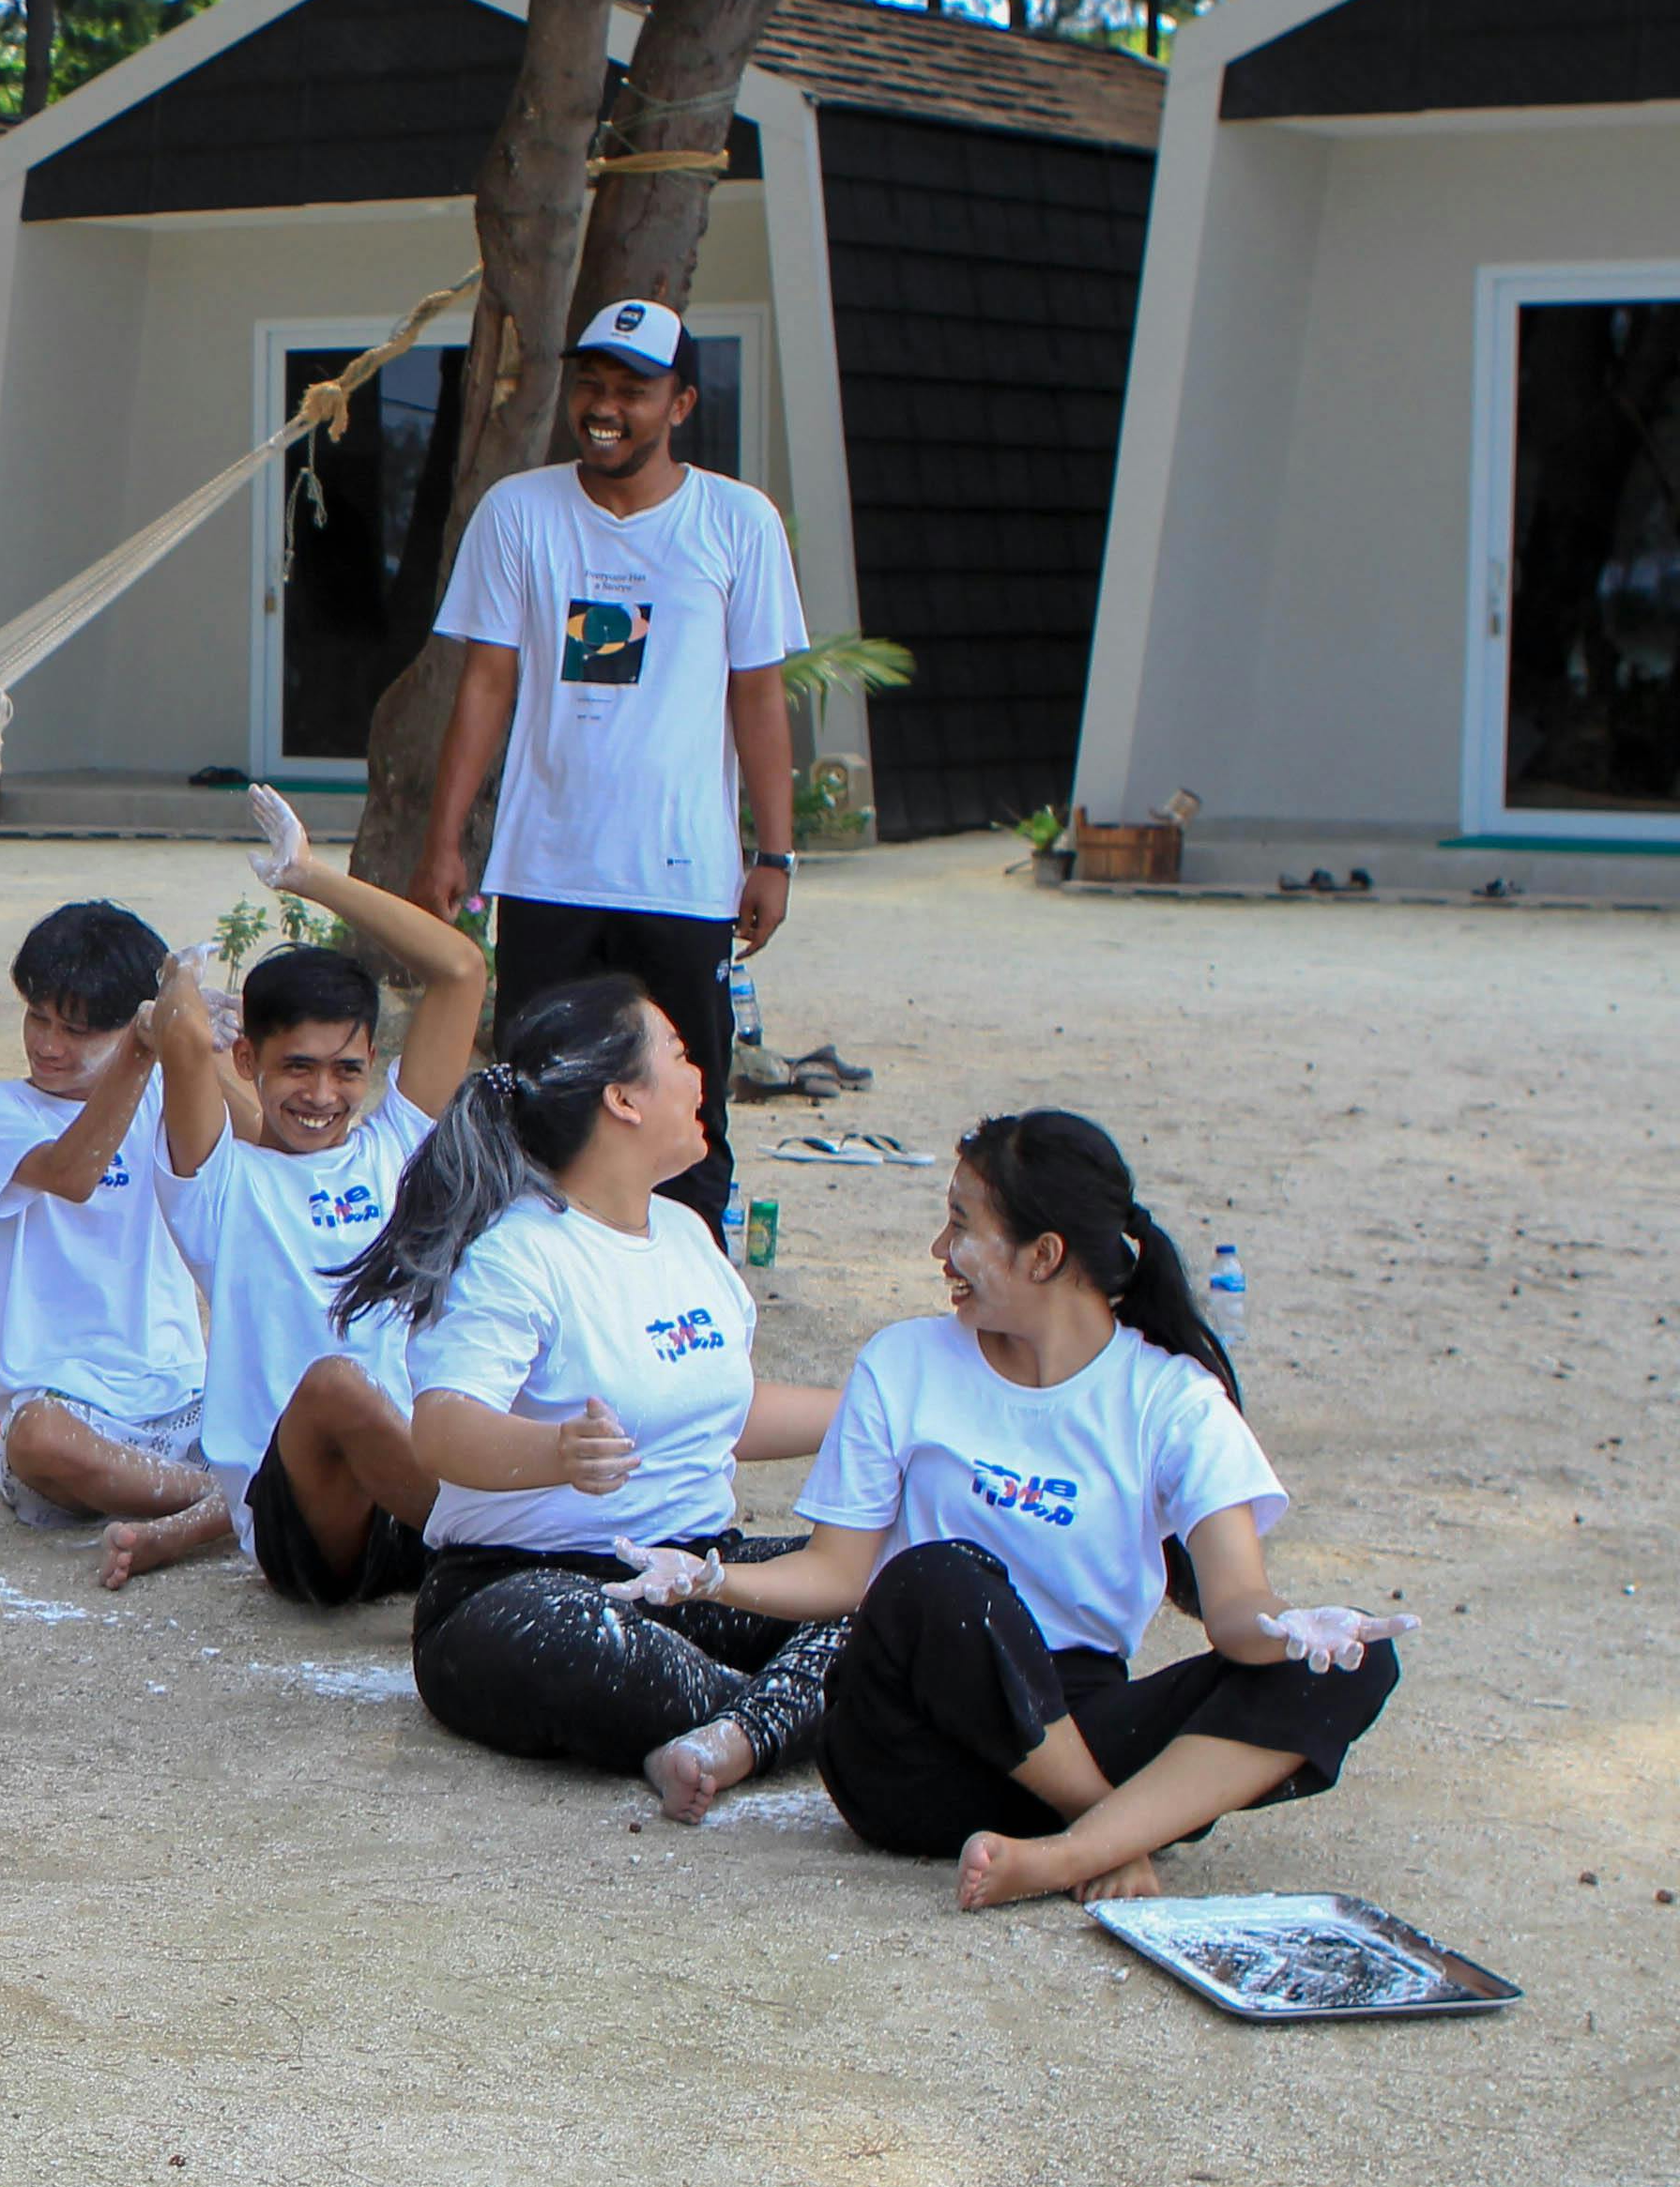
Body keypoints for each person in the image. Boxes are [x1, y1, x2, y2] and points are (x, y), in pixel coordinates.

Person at [599, 1112, 1406, 1907]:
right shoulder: (904, 1363)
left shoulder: (1174, 1400)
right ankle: (1113, 1830)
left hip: (1074, 1720)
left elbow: (1236, 1607)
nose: (939, 1251)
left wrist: (1291, 1630)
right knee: (939, 1576)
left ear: (1044, 1255)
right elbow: (838, 1574)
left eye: (960, 1226)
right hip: (910, 1751)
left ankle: (1068, 1851)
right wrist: (712, 1578)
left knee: (1359, 1659)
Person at [337, 974, 842, 1815]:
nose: (700, 1077)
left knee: (890, 1588)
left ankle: (736, 1730)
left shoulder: (686, 1232)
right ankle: (797, 1710)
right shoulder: (517, 1251)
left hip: (693, 1575)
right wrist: (556, 1453)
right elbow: (443, 1429)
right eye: (678, 1055)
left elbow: (724, 1413)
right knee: (577, 1641)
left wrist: (875, 1414)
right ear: (623, 1100)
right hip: (525, 1588)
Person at [407, 300, 804, 1237]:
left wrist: (776, 857)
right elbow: (486, 684)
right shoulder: (519, 511)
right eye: (592, 384)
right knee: (535, 1100)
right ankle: (538, 1275)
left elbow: (757, 696)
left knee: (688, 1109)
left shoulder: (738, 521)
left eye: (633, 390)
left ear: (681, 405)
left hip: (683, 877)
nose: (605, 407)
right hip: (548, 868)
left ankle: (691, 1283)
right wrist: (445, 840)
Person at [128, 785, 493, 1595]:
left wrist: (308, 875)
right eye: (297, 1067)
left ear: (372, 1066)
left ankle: (489, 1540)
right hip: (302, 1525)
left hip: (408, 1495)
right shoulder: (222, 1186)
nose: (323, 1095)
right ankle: (496, 1553)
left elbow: (462, 970)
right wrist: (178, 992)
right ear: (248, 1062)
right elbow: (183, 1039)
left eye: (346, 1070)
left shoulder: (397, 1150)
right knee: (334, 1383)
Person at [0, 900, 212, 1545]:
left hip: (186, 1399)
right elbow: (71, 1172)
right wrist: (142, 1050)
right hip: (67, 1412)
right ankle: (220, 1501)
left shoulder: (167, 1095)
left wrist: (198, 1036)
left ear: (128, 1024)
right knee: (35, 1439)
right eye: (38, 1018)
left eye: (76, 1031)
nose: (48, 1045)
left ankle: (196, 1501)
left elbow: (262, 1141)